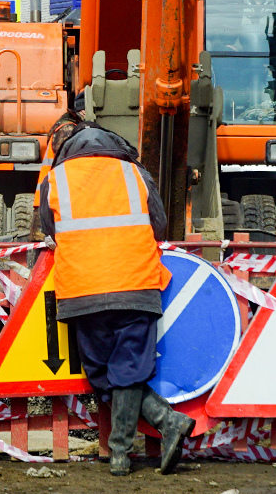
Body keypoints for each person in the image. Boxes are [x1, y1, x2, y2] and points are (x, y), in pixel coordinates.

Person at [33, 114, 192, 475]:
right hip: (135, 284)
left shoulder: (55, 179)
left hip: (83, 291)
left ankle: (121, 453)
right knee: (127, 371)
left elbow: (48, 228)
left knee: (103, 371)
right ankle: (166, 422)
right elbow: (160, 222)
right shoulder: (134, 173)